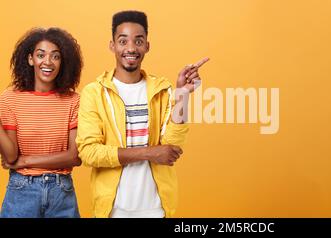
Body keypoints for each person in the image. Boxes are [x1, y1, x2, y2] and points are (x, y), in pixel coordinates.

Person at [76, 10, 208, 218]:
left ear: (147, 46)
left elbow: (172, 144)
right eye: (123, 41)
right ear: (112, 45)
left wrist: (182, 94)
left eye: (138, 41)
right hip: (112, 210)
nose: (131, 48)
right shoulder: (94, 93)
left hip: (156, 208)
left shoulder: (162, 90)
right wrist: (149, 153)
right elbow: (89, 152)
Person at [0, 27, 83, 218]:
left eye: (55, 56)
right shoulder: (10, 99)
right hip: (21, 190)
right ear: (30, 59)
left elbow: (74, 156)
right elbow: (11, 157)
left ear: (63, 62)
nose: (48, 62)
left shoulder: (74, 101)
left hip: (61, 192)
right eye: (40, 55)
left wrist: (27, 160)